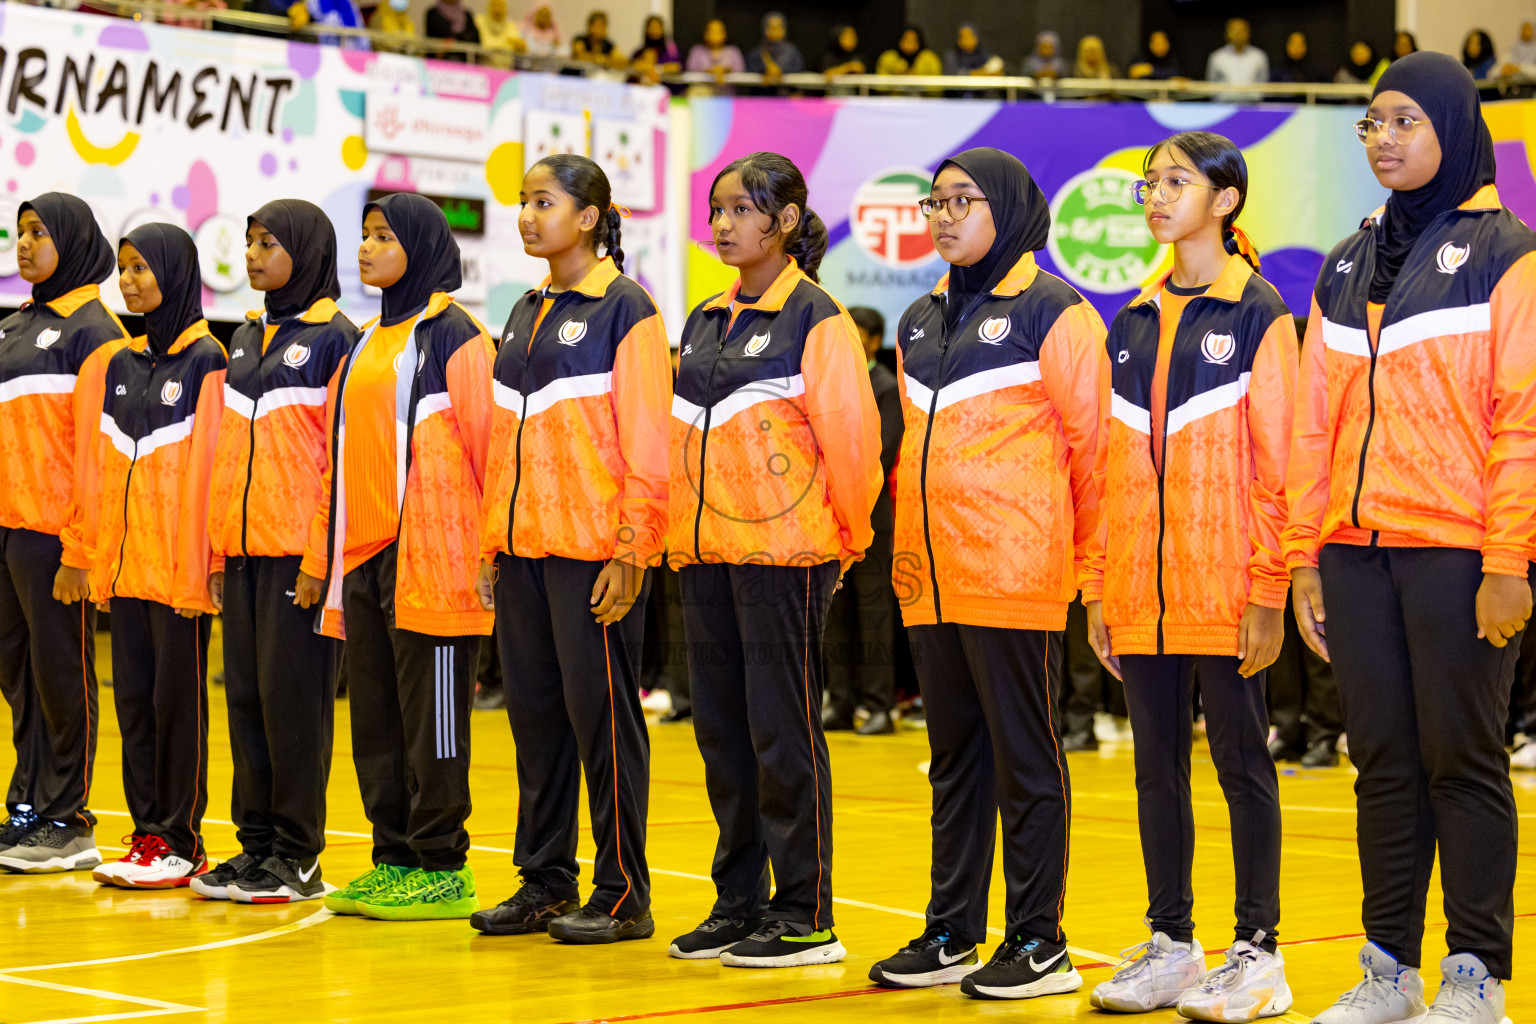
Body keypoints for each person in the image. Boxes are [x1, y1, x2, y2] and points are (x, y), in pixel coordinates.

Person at [1286, 51, 1536, 1024]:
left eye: (1403, 121)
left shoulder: (1506, 253)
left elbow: (1523, 416)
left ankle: (1476, 976)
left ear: (1450, 126)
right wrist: (1306, 553)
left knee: (1462, 761)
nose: (1383, 139)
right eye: (1371, 124)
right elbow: (1315, 423)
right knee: (1382, 759)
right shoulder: (1346, 263)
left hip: (1458, 551)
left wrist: (1509, 561)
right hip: (1354, 554)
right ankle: (1387, 968)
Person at [867, 148, 1106, 1000]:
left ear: (1005, 207)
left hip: (1017, 573)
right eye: (933, 201)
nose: (941, 215)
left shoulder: (1056, 311)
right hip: (932, 578)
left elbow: (1094, 456)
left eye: (961, 201)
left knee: (1027, 764)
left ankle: (1040, 940)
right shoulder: (921, 318)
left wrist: (1091, 573)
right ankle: (951, 931)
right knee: (954, 762)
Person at [1083, 130, 1296, 1021]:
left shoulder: (1260, 314)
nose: (1156, 196)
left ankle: (1260, 951)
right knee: (1154, 770)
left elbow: (1282, 467)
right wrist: (1099, 585)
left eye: (1177, 182)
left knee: (1244, 767)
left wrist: (1268, 589)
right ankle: (1173, 941)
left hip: (1225, 591)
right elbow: (1104, 469)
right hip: (1140, 596)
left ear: (1226, 200)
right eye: (1149, 184)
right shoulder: (1130, 320)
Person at [666, 151, 882, 968]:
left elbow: (854, 444)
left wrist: (845, 539)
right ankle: (739, 902)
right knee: (723, 735)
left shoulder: (815, 317)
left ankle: (806, 915)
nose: (721, 224)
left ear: (784, 222)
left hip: (786, 558)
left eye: (739, 210)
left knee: (782, 738)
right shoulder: (703, 320)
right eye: (715, 210)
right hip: (707, 557)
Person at [470, 155, 670, 944]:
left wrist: (631, 548)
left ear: (588, 216)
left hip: (595, 553)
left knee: (606, 725)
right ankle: (544, 881)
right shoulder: (522, 309)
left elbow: (650, 442)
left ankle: (623, 893)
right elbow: (505, 442)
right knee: (538, 724)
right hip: (523, 553)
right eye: (522, 202)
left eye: (542, 202)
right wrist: (494, 541)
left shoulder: (628, 309)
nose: (526, 215)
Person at [301, 193, 495, 921]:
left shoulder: (455, 335)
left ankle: (443, 864)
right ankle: (394, 857)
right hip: (366, 557)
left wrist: (487, 551)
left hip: (436, 560)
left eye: (383, 236)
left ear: (420, 243)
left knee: (434, 718)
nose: (366, 248)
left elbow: (489, 453)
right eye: (363, 236)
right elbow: (339, 458)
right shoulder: (364, 344)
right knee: (377, 718)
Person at [194, 201, 356, 904]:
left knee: (295, 710)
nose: (254, 256)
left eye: (269, 244)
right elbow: (231, 450)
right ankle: (255, 846)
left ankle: (299, 854)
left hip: (299, 559)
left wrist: (319, 558)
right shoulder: (246, 337)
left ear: (308, 251)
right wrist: (217, 546)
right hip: (244, 552)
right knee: (249, 705)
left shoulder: (336, 339)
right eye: (251, 243)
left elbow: (338, 464)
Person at [87, 224, 227, 889]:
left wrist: (204, 565)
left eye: (142, 267)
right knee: (135, 707)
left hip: (180, 575)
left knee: (179, 709)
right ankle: (146, 834)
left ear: (175, 271)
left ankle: (181, 839)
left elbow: (214, 475)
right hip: (127, 570)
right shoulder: (122, 362)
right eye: (123, 268)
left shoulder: (209, 361)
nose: (130, 280)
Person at [0, 194, 128, 874]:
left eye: (39, 232)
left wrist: (81, 548)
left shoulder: (95, 331)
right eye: (20, 232)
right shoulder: (15, 326)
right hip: (8, 529)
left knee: (61, 677)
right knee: (19, 679)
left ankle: (68, 819)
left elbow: (98, 454)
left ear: (73, 241)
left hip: (57, 536)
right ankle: (26, 808)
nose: (24, 244)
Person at [822, 306, 902, 737]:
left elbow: (881, 452)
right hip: (829, 519)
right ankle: (841, 700)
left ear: (873, 341)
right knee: (836, 615)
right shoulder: (832, 380)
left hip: (871, 520)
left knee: (873, 615)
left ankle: (877, 705)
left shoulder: (885, 386)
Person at [1206, 18, 1269, 93]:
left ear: (1248, 32)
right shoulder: (1217, 57)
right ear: (1226, 33)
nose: (1238, 34)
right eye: (1234, 30)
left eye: (1241, 30)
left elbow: (1263, 81)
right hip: (1224, 103)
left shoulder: (1259, 56)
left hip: (1252, 103)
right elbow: (1212, 82)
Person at [747, 12, 804, 80]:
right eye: (772, 28)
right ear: (765, 30)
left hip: (784, 89)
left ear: (784, 30)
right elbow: (751, 71)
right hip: (764, 90)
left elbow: (798, 71)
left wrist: (780, 72)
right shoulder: (757, 52)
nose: (775, 31)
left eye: (778, 27)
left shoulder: (792, 51)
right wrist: (765, 71)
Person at [475, 0, 526, 68]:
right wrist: (504, 43)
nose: (497, 9)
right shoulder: (479, 21)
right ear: (489, 7)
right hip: (484, 68)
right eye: (495, 5)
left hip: (504, 71)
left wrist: (520, 46)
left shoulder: (511, 26)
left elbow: (520, 49)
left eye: (500, 6)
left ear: (506, 9)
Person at [877, 26, 942, 77]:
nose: (909, 44)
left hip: (921, 94)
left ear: (919, 42)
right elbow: (879, 86)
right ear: (899, 41)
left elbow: (937, 88)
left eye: (913, 40)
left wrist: (916, 79)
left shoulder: (930, 58)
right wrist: (896, 78)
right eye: (906, 40)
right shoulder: (888, 57)